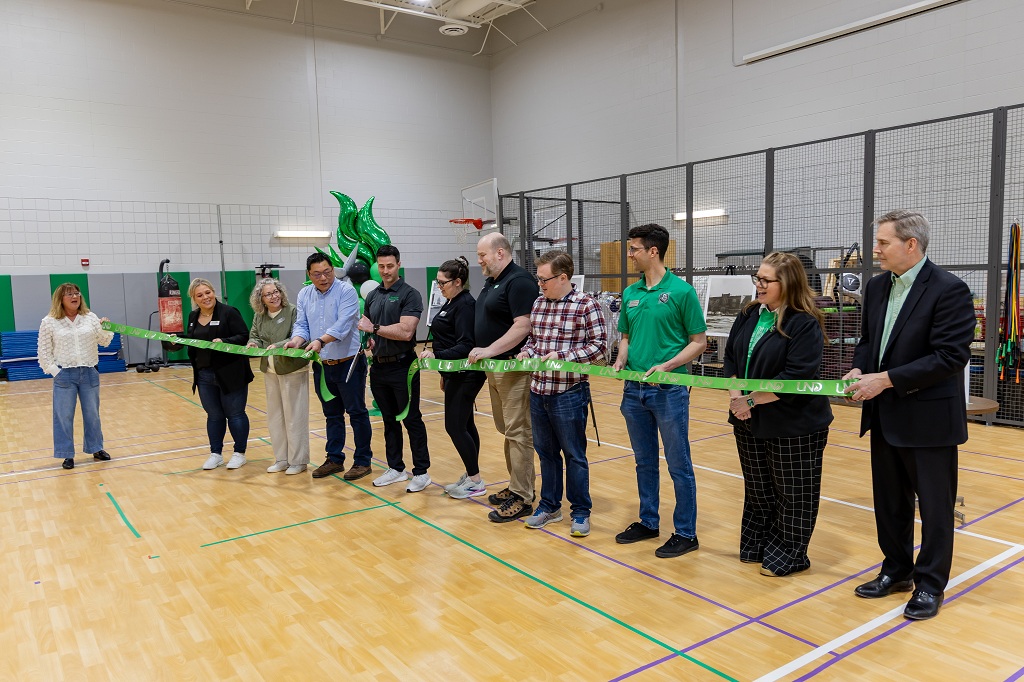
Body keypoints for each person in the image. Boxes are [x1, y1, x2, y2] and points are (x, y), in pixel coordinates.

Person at [843, 209, 975, 621]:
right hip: (884, 414)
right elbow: (870, 341)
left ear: (911, 244)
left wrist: (886, 380)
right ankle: (896, 571)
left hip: (928, 419)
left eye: (882, 243)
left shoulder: (949, 289)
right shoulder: (878, 286)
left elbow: (950, 356)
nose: (875, 250)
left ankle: (930, 584)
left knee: (936, 509)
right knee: (890, 503)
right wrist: (860, 368)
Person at [723, 252, 834, 577]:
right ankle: (758, 546)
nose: (758, 285)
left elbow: (794, 378)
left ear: (786, 284)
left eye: (765, 280)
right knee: (758, 489)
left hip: (793, 423)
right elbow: (730, 358)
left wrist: (750, 401)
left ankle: (790, 554)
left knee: (793, 492)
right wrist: (735, 396)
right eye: (757, 278)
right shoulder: (748, 314)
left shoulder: (804, 322)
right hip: (746, 418)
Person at [613, 223, 707, 558]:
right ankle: (648, 521)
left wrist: (667, 367)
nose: (629, 254)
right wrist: (621, 357)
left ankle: (686, 531)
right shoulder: (631, 293)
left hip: (669, 392)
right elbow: (625, 336)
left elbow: (699, 342)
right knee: (644, 461)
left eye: (634, 248)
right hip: (633, 390)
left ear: (653, 251)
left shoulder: (681, 292)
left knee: (678, 463)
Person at [517, 251, 607, 537]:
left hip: (568, 392)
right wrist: (526, 352)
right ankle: (549, 506)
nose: (540, 284)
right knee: (546, 454)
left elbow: (601, 348)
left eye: (544, 279)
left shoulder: (586, 305)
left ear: (563, 277)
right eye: (538, 279)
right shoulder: (539, 303)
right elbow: (534, 340)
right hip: (538, 390)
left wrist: (564, 356)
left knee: (574, 455)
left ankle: (580, 512)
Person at [468, 232, 539, 523]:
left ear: (500, 253)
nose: (479, 260)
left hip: (513, 370)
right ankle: (514, 486)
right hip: (495, 370)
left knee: (519, 432)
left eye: (482, 255)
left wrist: (489, 350)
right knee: (506, 429)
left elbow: (523, 326)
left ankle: (523, 496)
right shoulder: (492, 281)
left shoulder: (519, 282)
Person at [284, 252, 373, 481]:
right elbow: (302, 324)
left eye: (327, 272)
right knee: (332, 414)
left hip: (349, 362)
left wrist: (320, 341)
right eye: (317, 274)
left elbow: (342, 326)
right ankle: (334, 459)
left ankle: (363, 461)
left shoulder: (346, 291)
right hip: (323, 366)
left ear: (333, 270)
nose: (323, 278)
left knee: (356, 412)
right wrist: (296, 340)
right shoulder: (304, 294)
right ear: (309, 275)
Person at [357, 245, 430, 492]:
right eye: (381, 266)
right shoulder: (373, 295)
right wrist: (371, 340)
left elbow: (406, 331)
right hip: (378, 368)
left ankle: (421, 472)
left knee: (411, 419)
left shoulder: (410, 294)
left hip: (403, 366)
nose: (385, 271)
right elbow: (369, 328)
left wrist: (374, 329)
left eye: (390, 266)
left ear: (399, 264)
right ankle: (396, 468)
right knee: (388, 421)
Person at [419, 256, 488, 499]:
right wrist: (443, 371)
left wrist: (437, 355)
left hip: (466, 374)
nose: (439, 287)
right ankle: (471, 475)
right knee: (466, 425)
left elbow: (466, 344)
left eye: (443, 283)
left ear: (458, 281)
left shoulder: (466, 305)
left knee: (455, 427)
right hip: (453, 373)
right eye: (437, 283)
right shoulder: (451, 302)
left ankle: (476, 481)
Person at [37, 283, 115, 470]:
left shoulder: (90, 318)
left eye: (77, 293)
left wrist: (106, 327)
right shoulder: (49, 321)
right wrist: (57, 372)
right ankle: (67, 455)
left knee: (92, 415)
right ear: (60, 299)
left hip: (89, 372)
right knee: (63, 416)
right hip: (64, 375)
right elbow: (44, 353)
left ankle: (96, 448)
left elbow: (104, 341)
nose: (75, 296)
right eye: (69, 294)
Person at [184, 278, 254, 470]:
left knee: (235, 414)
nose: (205, 297)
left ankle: (240, 453)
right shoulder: (192, 316)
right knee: (214, 415)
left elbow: (243, 336)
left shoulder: (229, 312)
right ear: (194, 299)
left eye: (208, 292)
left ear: (213, 292)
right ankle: (216, 454)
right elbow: (193, 341)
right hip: (204, 376)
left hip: (231, 373)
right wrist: (176, 341)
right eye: (200, 295)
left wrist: (224, 340)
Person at [247, 278, 310, 475]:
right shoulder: (260, 316)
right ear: (261, 299)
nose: (274, 296)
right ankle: (281, 458)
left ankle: (298, 461)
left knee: (294, 416)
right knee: (275, 416)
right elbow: (255, 335)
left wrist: (281, 345)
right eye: (268, 294)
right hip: (270, 369)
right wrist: (253, 343)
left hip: (292, 369)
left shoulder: (292, 311)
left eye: (276, 292)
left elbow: (299, 334)